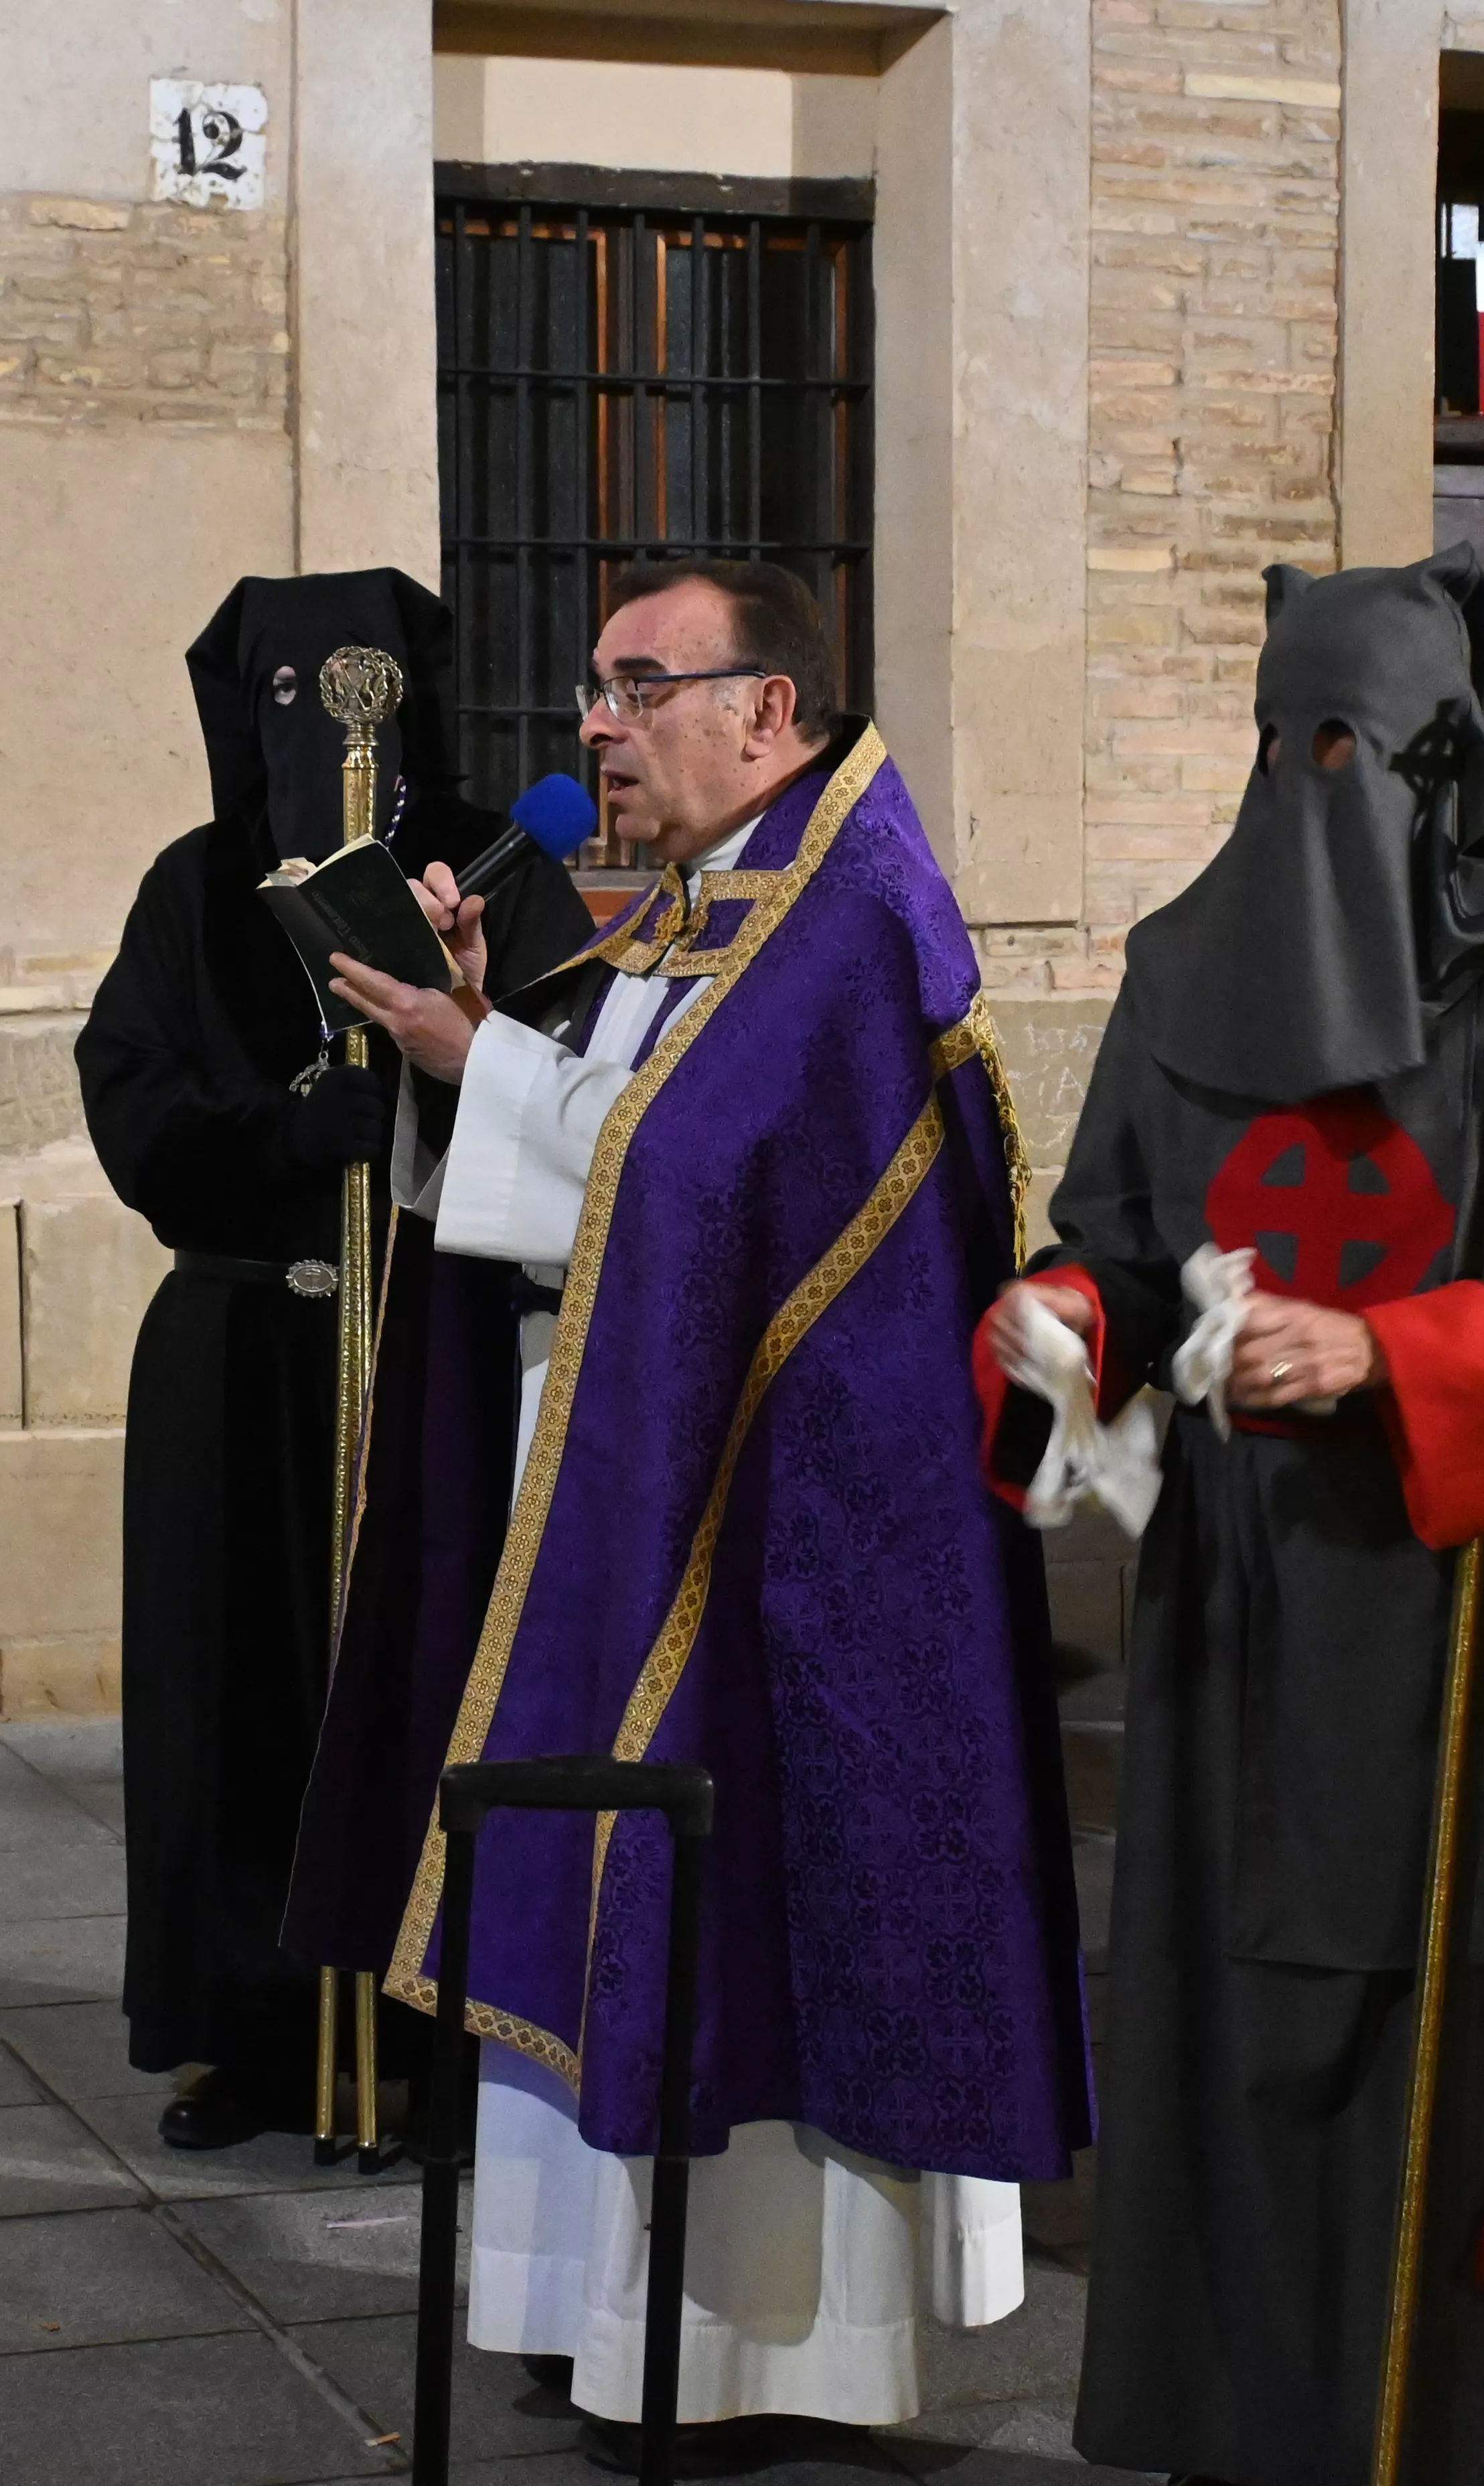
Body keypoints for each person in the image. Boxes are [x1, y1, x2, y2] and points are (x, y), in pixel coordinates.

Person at [283, 558, 1090, 2463]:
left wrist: (484, 1069)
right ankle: (598, 2318)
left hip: (785, 1542)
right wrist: (492, 1048)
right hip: (648, 1481)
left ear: (767, 708)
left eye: (638, 684)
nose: (595, 725)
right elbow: (642, 1148)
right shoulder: (705, 907)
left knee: (737, 1910)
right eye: (593, 687)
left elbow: (706, 1190)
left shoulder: (851, 917)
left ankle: (752, 2352)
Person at [990, 546, 1484, 2485]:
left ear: (1444, 763)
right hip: (1237, 1612)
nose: (1313, 783)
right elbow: (1119, 1243)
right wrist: (1065, 1319)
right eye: (1281, 743)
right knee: (1229, 2023)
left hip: (1462, 1614)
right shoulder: (1173, 964)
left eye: (1352, 749)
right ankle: (1250, 2425)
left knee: (1444, 2044)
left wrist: (1391, 1358)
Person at [75, 569, 589, 2151]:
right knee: (232, 1698)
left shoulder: (503, 866)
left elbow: (581, 1090)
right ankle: (244, 2031)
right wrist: (274, 1131)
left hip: (426, 1345)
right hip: (239, 1356)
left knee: (424, 1685)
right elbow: (129, 1093)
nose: (330, 736)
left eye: (360, 697)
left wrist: (441, 1079)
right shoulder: (191, 886)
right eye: (291, 705)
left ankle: (432, 2031)